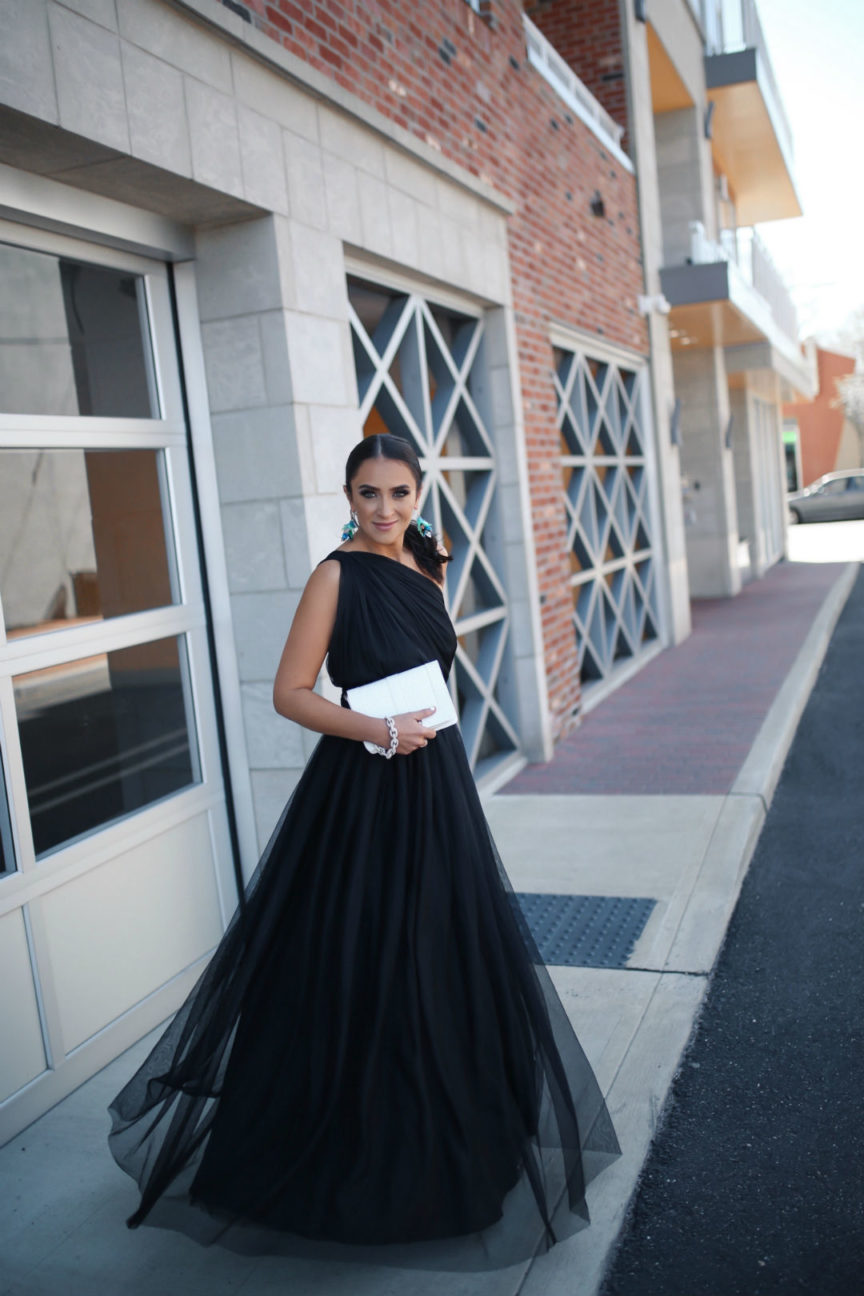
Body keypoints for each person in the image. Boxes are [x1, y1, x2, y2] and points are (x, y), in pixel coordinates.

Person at [108, 433, 619, 1262]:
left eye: (399, 494)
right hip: (367, 785)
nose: (384, 510)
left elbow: (429, 666)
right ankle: (356, 1155)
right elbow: (289, 695)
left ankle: (450, 1139)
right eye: (368, 494)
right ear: (348, 495)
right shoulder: (335, 575)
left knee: (443, 950)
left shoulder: (430, 560)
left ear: (421, 494)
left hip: (438, 780)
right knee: (371, 954)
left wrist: (422, 734)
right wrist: (377, 728)